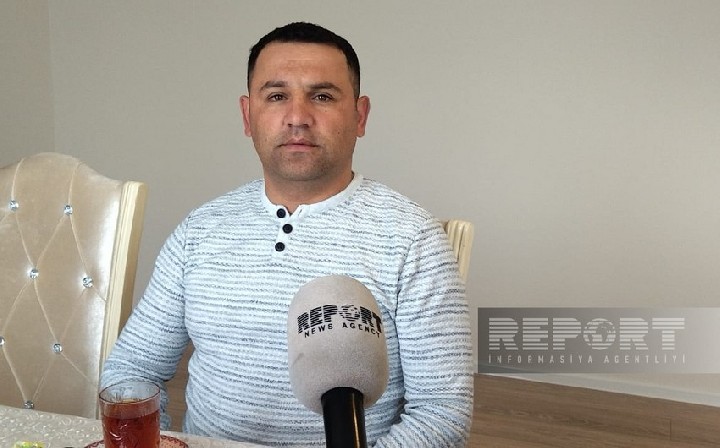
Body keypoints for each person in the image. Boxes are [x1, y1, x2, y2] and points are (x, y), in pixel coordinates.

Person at [101, 22, 473, 447]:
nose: (298, 117)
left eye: (322, 96)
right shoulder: (199, 231)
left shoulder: (413, 239)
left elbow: (443, 413)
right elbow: (133, 369)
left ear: (360, 115)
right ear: (248, 116)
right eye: (277, 96)